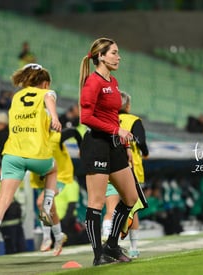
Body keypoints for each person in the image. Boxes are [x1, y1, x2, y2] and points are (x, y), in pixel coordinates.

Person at [0, 63, 62, 264]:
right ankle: (46, 206)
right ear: (44, 82)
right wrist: (55, 117)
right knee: (53, 170)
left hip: (12, 154)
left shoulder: (16, 97)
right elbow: (49, 99)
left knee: (3, 200)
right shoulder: (46, 93)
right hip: (37, 155)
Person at [79, 37, 139, 266]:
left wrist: (125, 146)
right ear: (101, 56)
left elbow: (113, 117)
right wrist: (117, 130)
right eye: (114, 53)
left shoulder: (112, 82)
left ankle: (112, 245)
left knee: (131, 198)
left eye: (118, 52)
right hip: (96, 144)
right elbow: (86, 118)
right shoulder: (92, 82)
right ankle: (98, 256)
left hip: (114, 144)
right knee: (96, 202)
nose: (118, 57)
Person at [102, 91, 149, 258]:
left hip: (108, 167)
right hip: (130, 168)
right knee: (132, 208)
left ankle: (105, 240)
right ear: (128, 106)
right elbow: (141, 140)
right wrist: (145, 152)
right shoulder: (134, 120)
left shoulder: (107, 120)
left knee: (111, 207)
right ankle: (134, 248)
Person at [30, 128, 83, 255]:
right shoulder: (30, 139)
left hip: (60, 176)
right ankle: (59, 236)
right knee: (51, 210)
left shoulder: (55, 138)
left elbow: (73, 132)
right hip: (42, 179)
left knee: (41, 202)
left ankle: (47, 238)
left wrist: (82, 148)